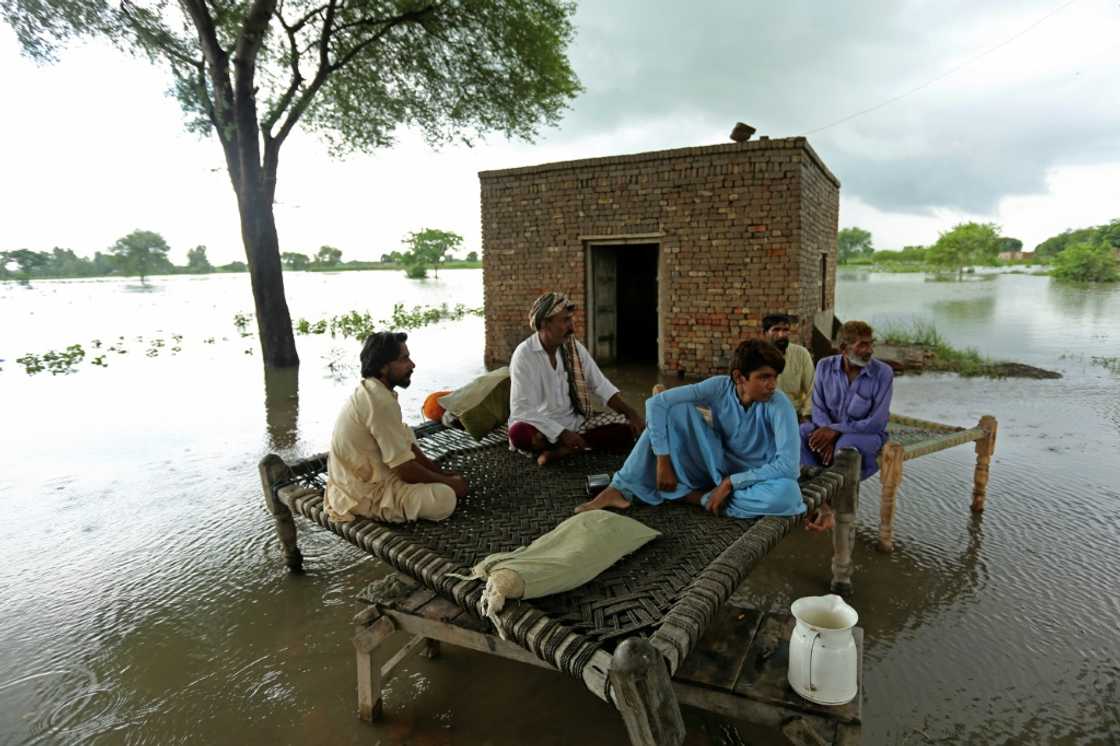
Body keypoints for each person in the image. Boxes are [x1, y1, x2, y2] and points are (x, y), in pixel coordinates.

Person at [575, 339, 804, 519]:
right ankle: (619, 488)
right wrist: (663, 461)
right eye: (764, 377)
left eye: (774, 377)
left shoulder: (779, 404)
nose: (772, 385)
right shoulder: (719, 387)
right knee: (675, 409)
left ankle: (698, 498)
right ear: (739, 377)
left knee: (788, 495)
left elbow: (789, 466)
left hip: (754, 478)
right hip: (714, 463)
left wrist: (732, 482)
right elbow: (656, 403)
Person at [324, 331, 468, 524]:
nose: (412, 365)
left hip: (359, 482)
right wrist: (449, 484)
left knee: (405, 432)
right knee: (444, 498)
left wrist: (440, 474)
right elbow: (404, 469)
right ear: (384, 368)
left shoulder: (374, 390)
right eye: (404, 359)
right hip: (363, 495)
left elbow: (406, 447)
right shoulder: (380, 402)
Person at [508, 292, 645, 465]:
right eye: (565, 321)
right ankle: (573, 444)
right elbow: (521, 408)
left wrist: (631, 413)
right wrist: (561, 433)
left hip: (575, 424)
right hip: (540, 429)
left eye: (570, 320)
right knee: (518, 433)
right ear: (544, 323)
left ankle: (562, 451)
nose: (572, 327)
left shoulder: (573, 348)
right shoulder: (524, 355)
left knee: (627, 428)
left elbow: (600, 385)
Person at [800, 320, 893, 482]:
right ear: (843, 348)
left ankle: (836, 488)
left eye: (871, 344)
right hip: (825, 429)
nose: (870, 351)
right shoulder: (824, 366)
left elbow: (877, 422)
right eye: (863, 345)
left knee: (845, 446)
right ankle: (813, 480)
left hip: (865, 434)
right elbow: (818, 408)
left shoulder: (883, 373)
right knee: (801, 432)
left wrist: (834, 431)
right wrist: (827, 434)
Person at [762, 313, 814, 421]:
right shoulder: (755, 355)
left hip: (794, 413)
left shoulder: (801, 354)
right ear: (765, 333)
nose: (781, 335)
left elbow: (812, 389)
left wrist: (806, 415)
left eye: (785, 330)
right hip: (763, 414)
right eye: (776, 330)